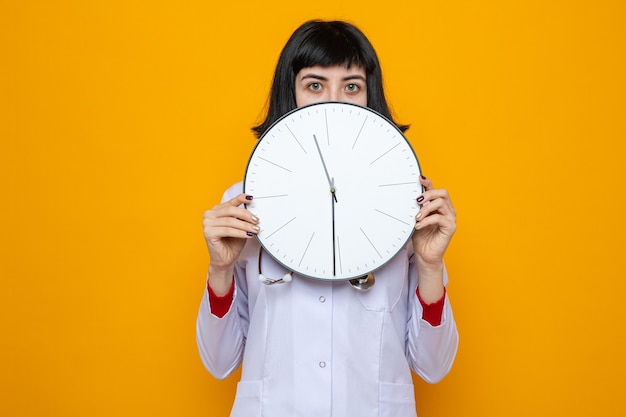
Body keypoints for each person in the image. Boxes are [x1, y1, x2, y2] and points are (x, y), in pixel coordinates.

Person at [196, 20, 458, 417]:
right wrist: (220, 270)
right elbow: (218, 363)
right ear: (292, 94)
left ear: (371, 99)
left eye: (351, 86)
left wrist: (429, 264)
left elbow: (434, 368)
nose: (333, 100)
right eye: (315, 85)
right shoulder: (244, 200)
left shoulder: (407, 201)